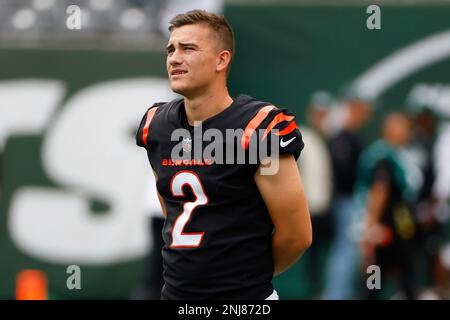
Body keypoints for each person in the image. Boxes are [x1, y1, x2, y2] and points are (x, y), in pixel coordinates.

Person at [135, 10, 312, 300]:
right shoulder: (156, 125)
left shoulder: (259, 129)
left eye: (188, 48)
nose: (174, 58)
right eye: (171, 49)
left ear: (222, 59)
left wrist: (242, 277)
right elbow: (172, 209)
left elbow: (297, 235)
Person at [357, 113, 421, 299]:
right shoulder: (384, 156)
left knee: (400, 269)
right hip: (387, 226)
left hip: (397, 224)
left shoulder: (396, 153)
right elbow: (379, 190)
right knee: (377, 269)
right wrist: (371, 228)